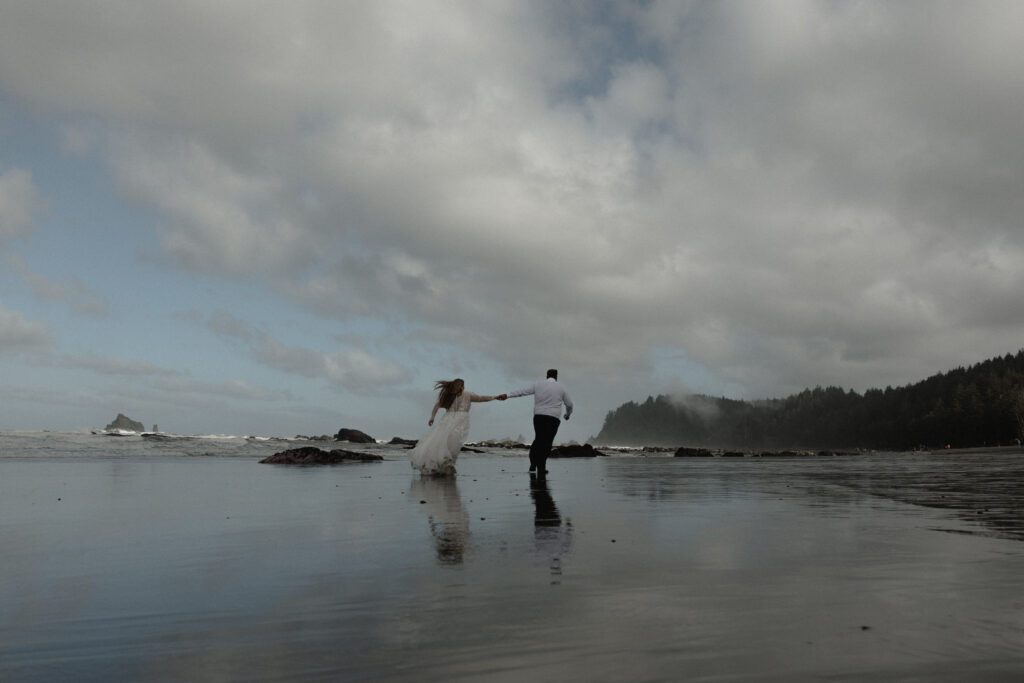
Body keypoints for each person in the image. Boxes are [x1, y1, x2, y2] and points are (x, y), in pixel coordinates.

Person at [410, 379, 501, 476]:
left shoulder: (456, 396)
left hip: (447, 419)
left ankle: (443, 465)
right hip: (458, 421)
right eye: (463, 386)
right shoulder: (460, 396)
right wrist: (495, 397)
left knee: (442, 441)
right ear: (461, 386)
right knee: (450, 442)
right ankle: (444, 465)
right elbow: (481, 398)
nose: (464, 387)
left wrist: (432, 418)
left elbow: (436, 406)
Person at [500, 369, 573, 477]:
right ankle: (541, 468)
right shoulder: (561, 387)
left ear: (546, 376)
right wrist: (568, 414)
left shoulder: (538, 384)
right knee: (547, 443)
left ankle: (533, 464)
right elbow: (570, 404)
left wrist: (507, 395)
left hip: (539, 417)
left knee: (538, 440)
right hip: (553, 418)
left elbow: (522, 392)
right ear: (556, 377)